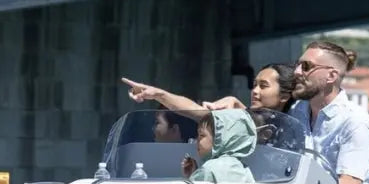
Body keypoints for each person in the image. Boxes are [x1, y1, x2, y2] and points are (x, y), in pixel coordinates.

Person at [285, 40, 369, 184]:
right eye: (297, 65)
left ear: (331, 76)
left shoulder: (354, 121)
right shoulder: (297, 110)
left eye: (306, 66)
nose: (297, 72)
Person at [121, 62, 296, 115]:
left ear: (284, 96)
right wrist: (158, 94)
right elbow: (197, 111)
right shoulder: (242, 118)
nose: (255, 91)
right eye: (255, 85)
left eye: (263, 86)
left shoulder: (300, 129)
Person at [180, 110, 256, 184]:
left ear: (220, 138)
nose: (197, 140)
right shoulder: (244, 170)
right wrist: (195, 173)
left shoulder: (208, 170)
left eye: (202, 135)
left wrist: (197, 176)